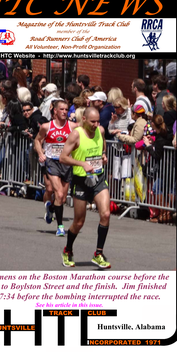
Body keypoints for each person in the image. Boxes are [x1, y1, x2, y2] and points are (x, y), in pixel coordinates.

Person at [59, 107, 111, 268]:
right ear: (84, 120)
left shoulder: (100, 131)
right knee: (79, 222)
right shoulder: (76, 134)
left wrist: (103, 156)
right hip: (81, 181)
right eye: (92, 122)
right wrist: (82, 163)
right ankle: (68, 250)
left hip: (98, 179)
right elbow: (63, 157)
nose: (96, 124)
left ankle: (98, 253)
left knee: (106, 214)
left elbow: (103, 147)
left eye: (98, 121)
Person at [34, 99, 77, 236]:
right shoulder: (46, 126)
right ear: (55, 111)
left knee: (62, 198)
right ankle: (60, 227)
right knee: (57, 193)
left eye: (66, 109)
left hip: (66, 162)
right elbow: (37, 140)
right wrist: (41, 153)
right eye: (62, 109)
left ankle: (51, 208)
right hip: (52, 161)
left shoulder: (73, 126)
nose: (65, 112)